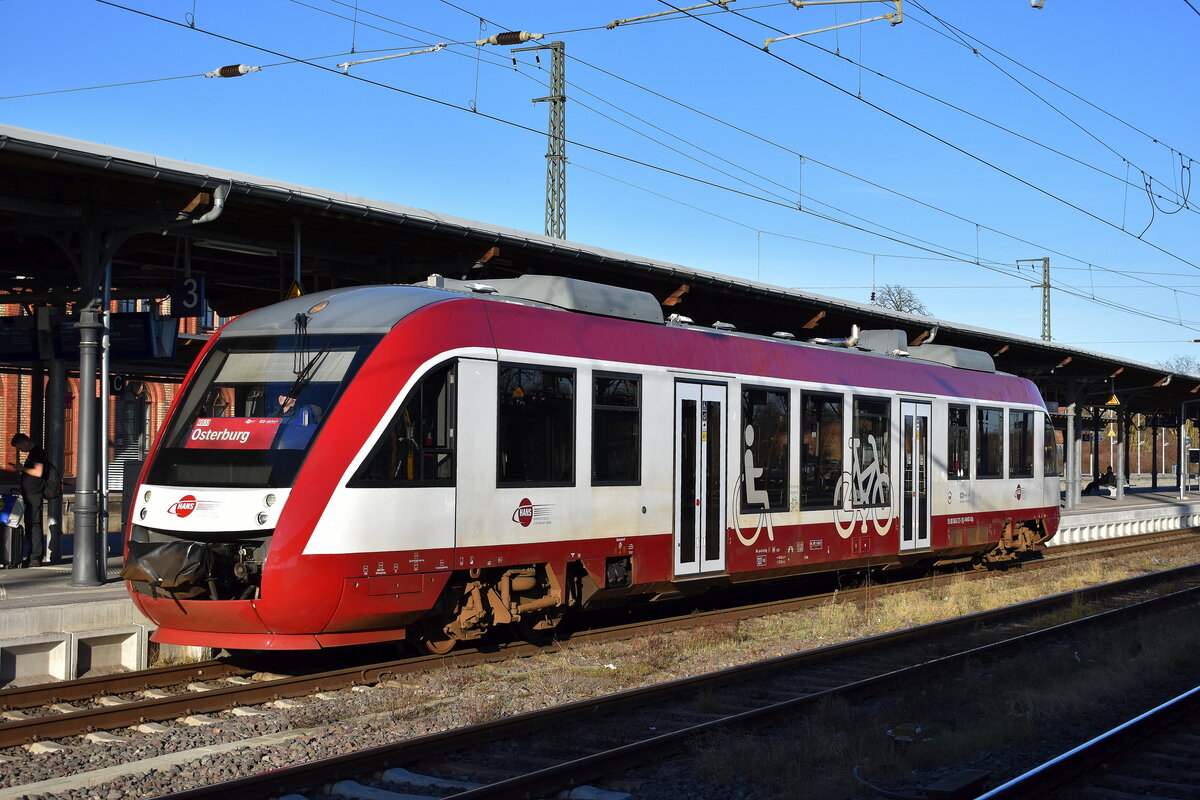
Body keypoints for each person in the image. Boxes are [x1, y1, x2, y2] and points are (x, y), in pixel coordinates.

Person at [9, 433, 46, 567]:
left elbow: (38, 472)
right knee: (31, 524)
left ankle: (35, 557)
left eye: (19, 448)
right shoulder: (33, 453)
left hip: (34, 495)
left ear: (24, 442)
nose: (21, 451)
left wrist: (22, 468)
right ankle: (32, 555)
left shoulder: (37, 452)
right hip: (30, 494)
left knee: (34, 525)